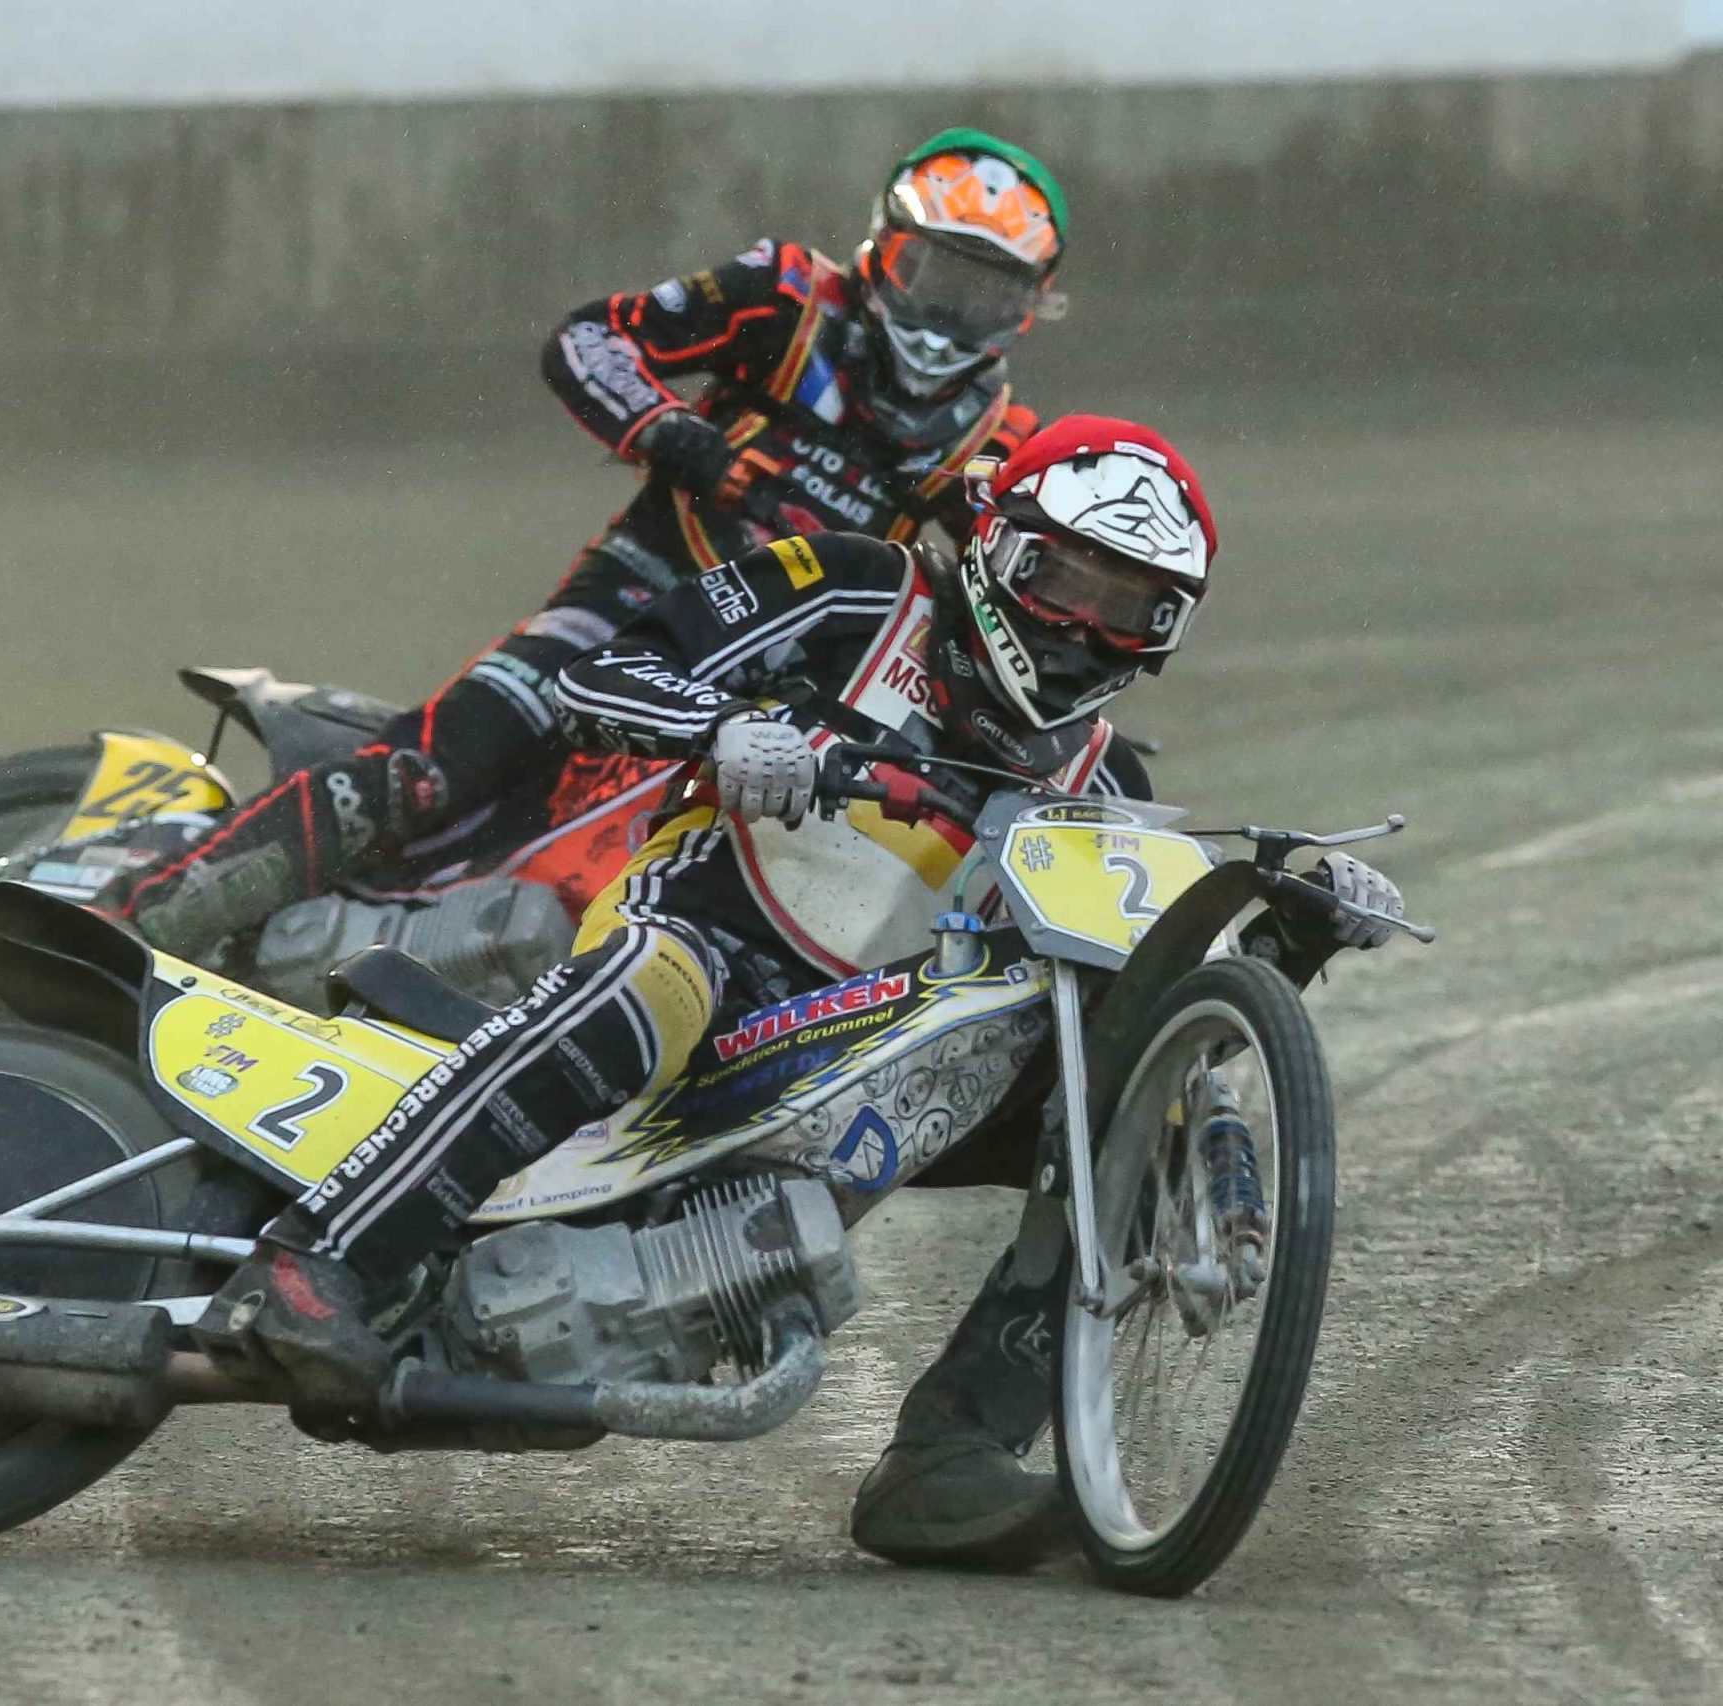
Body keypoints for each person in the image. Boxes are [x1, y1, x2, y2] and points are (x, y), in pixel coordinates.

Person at [196, 415, 1409, 1568]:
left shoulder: (1110, 779)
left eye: (1133, 608)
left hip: (875, 1052)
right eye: (1067, 581)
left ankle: (949, 1455)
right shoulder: (855, 585)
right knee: (647, 983)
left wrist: (1291, 937)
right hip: (706, 938)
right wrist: (726, 728)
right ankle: (316, 1261)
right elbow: (604, 674)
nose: (1087, 629)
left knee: (1131, 1111)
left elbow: (1144, 1008)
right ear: (997, 542)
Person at [125, 128, 1072, 959]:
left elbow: (1010, 596)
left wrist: (1060, 708)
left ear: (1028, 309)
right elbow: (589, 340)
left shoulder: (998, 444)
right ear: (883, 250)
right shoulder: (786, 295)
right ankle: (139, 917)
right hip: (627, 606)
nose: (948, 315)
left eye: (984, 294)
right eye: (934, 276)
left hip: (759, 686)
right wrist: (674, 433)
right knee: (430, 770)